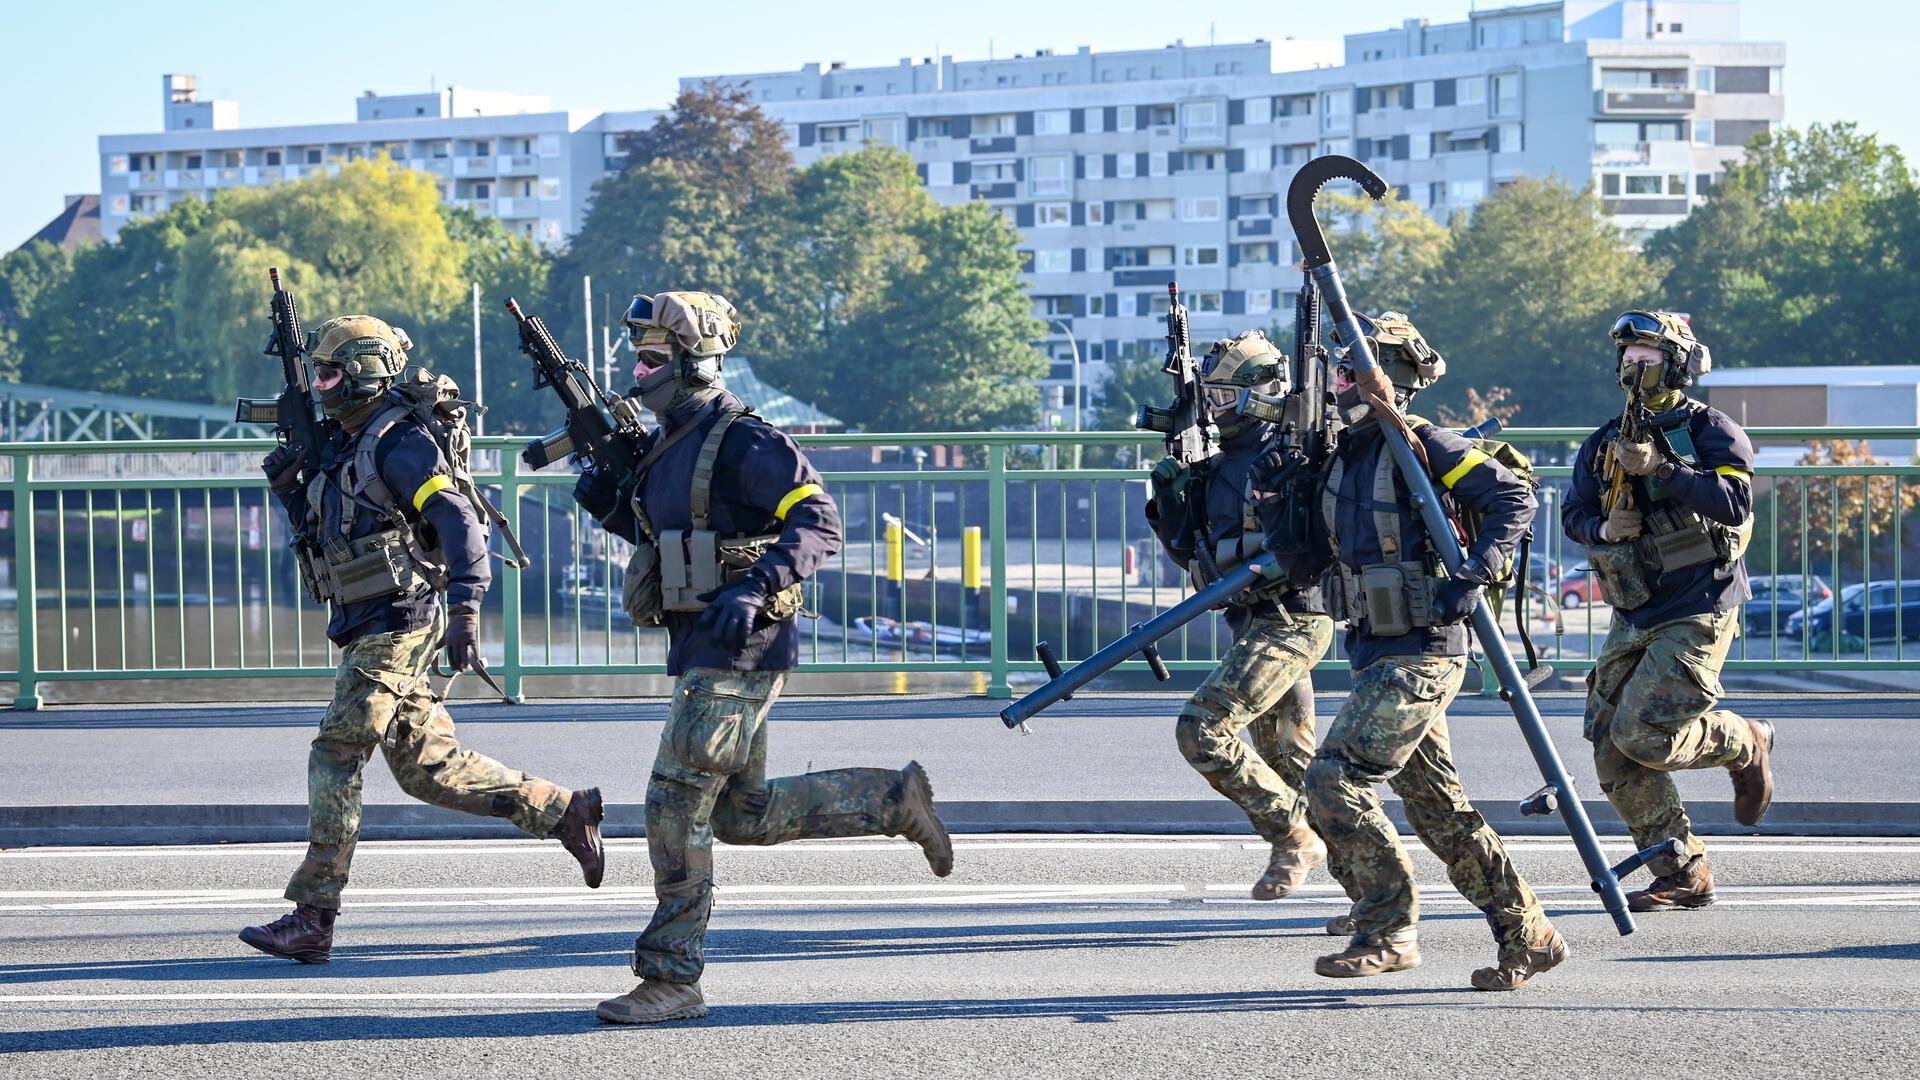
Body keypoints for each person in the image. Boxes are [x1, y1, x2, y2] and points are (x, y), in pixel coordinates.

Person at [573, 291, 953, 1025]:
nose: (638, 371)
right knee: (741, 814)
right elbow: (673, 536)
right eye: (637, 358)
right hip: (699, 640)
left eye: (652, 359)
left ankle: (671, 976)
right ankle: (894, 799)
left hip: (741, 645)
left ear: (693, 364)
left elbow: (820, 523)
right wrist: (609, 505)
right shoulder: (668, 444)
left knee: (674, 803)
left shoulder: (746, 441)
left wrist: (757, 587)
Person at [241, 315, 604, 965]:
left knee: (336, 751)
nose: (321, 386)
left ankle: (313, 915)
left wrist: (466, 611)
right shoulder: (339, 445)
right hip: (367, 624)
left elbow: (460, 521)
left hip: (398, 623)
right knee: (428, 772)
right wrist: (288, 491)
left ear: (368, 373)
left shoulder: (399, 444)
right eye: (317, 372)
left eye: (331, 373)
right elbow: (328, 535)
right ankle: (565, 810)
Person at [1306, 312, 1566, 991]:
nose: (1336, 380)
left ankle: (1388, 930)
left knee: (1334, 778)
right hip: (1374, 650)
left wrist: (1473, 573)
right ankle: (1529, 932)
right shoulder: (1342, 455)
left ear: (1382, 376)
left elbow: (1512, 496)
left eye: (1348, 368)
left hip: (1423, 651)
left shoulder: (1419, 442)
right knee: (1438, 811)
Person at [1563, 310, 1772, 913]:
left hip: (1698, 603)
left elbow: (1733, 500)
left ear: (1677, 363)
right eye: (1629, 356)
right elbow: (1572, 512)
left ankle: (1742, 740)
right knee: (1608, 741)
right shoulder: (1604, 441)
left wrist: (1663, 470)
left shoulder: (1710, 429)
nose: (1635, 366)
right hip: (1634, 607)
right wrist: (1604, 523)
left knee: (1642, 732)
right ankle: (1680, 870)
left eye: (1648, 356)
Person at [1143, 330, 1345, 902]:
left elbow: (1307, 542)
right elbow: (1193, 556)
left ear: (1259, 395)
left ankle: (1293, 837)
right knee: (1294, 765)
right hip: (1249, 621)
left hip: (1295, 616)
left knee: (1204, 728)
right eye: (1210, 397)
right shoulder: (1212, 464)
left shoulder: (1290, 456)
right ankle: (1373, 896)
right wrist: (1169, 501)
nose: (1214, 408)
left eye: (1226, 396)